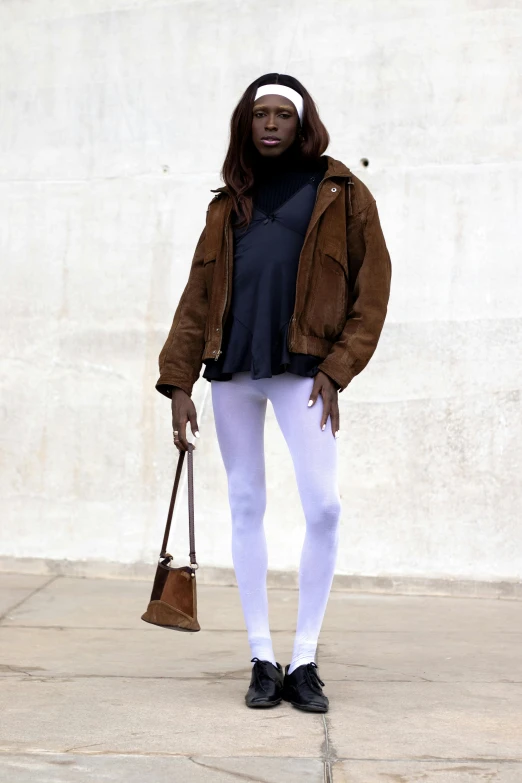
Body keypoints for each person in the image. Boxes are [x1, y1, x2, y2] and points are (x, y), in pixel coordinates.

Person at [155, 73, 392, 713]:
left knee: (323, 508)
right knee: (245, 504)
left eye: (282, 114)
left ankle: (305, 659)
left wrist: (337, 369)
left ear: (302, 123)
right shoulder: (227, 200)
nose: (270, 124)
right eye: (259, 113)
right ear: (245, 122)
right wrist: (178, 382)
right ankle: (262, 656)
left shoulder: (343, 192)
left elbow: (372, 293)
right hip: (231, 371)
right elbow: (197, 295)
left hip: (304, 370)